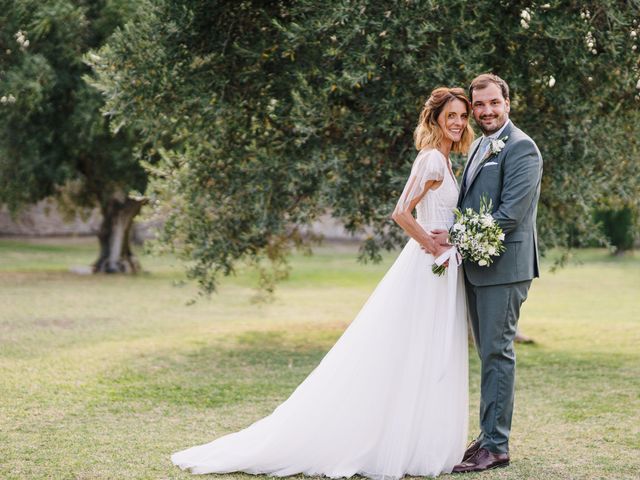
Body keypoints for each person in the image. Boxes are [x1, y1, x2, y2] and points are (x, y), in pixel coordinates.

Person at [171, 87, 474, 478]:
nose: (458, 122)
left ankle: (423, 440)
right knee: (412, 349)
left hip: (445, 269)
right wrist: (430, 242)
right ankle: (396, 442)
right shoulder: (432, 159)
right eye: (451, 115)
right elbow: (401, 211)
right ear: (435, 119)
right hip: (428, 266)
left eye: (462, 117)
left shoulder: (449, 161)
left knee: (431, 351)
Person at [444, 74, 543, 473]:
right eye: (479, 105)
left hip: (505, 269)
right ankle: (486, 436)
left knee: (497, 354)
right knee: (488, 354)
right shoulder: (480, 145)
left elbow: (509, 216)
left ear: (507, 103)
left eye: (493, 104)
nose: (485, 111)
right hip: (478, 266)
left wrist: (451, 236)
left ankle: (497, 446)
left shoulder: (521, 148)